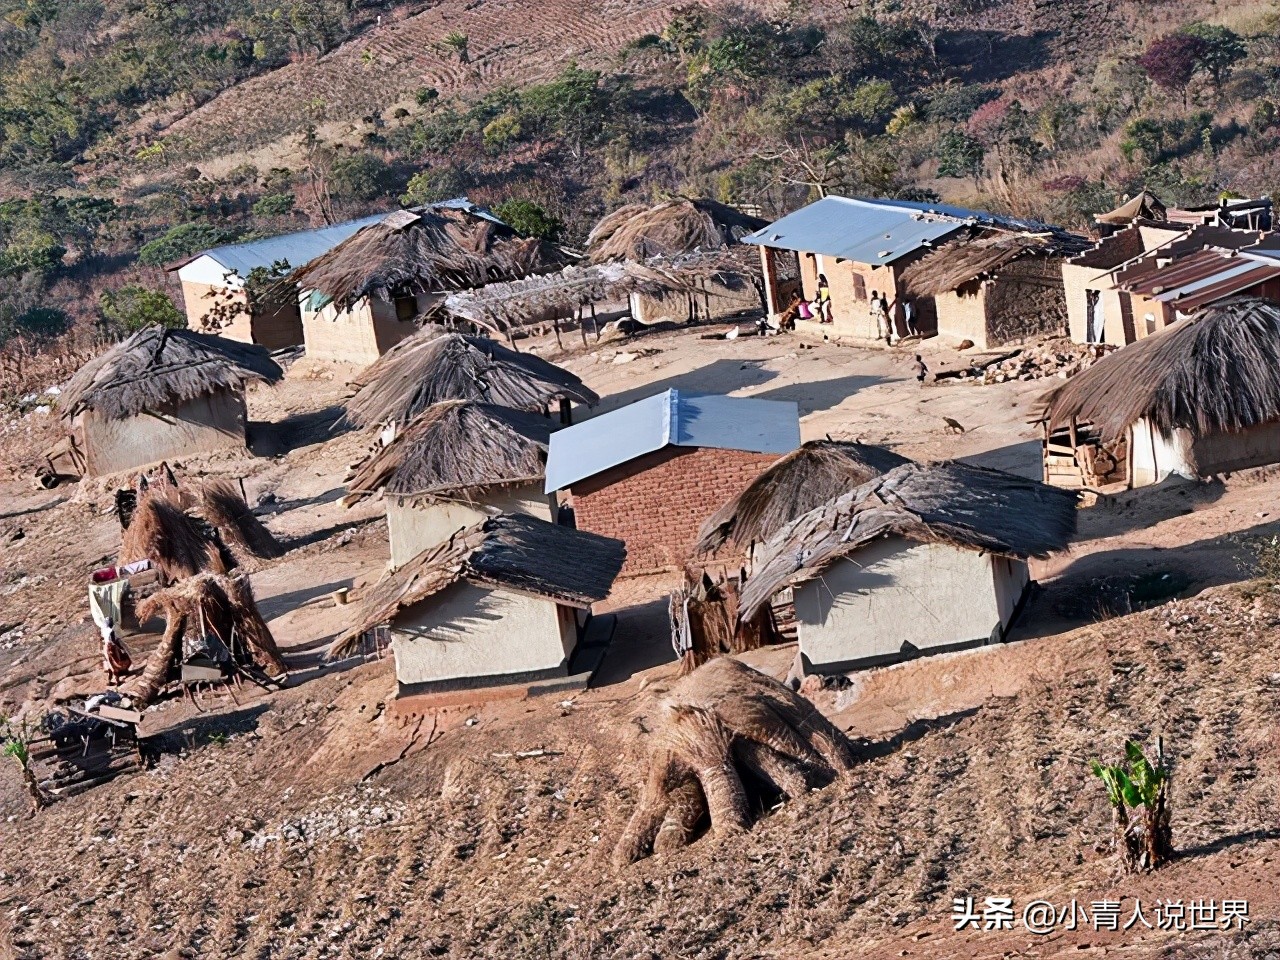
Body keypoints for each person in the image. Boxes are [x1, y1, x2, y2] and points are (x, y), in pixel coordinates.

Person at [100, 617, 131, 686]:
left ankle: (110, 680)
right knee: (118, 661)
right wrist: (121, 648)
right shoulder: (111, 631)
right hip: (112, 648)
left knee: (110, 664)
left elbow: (102, 638)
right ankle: (118, 680)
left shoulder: (103, 630)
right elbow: (113, 641)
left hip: (106, 647)